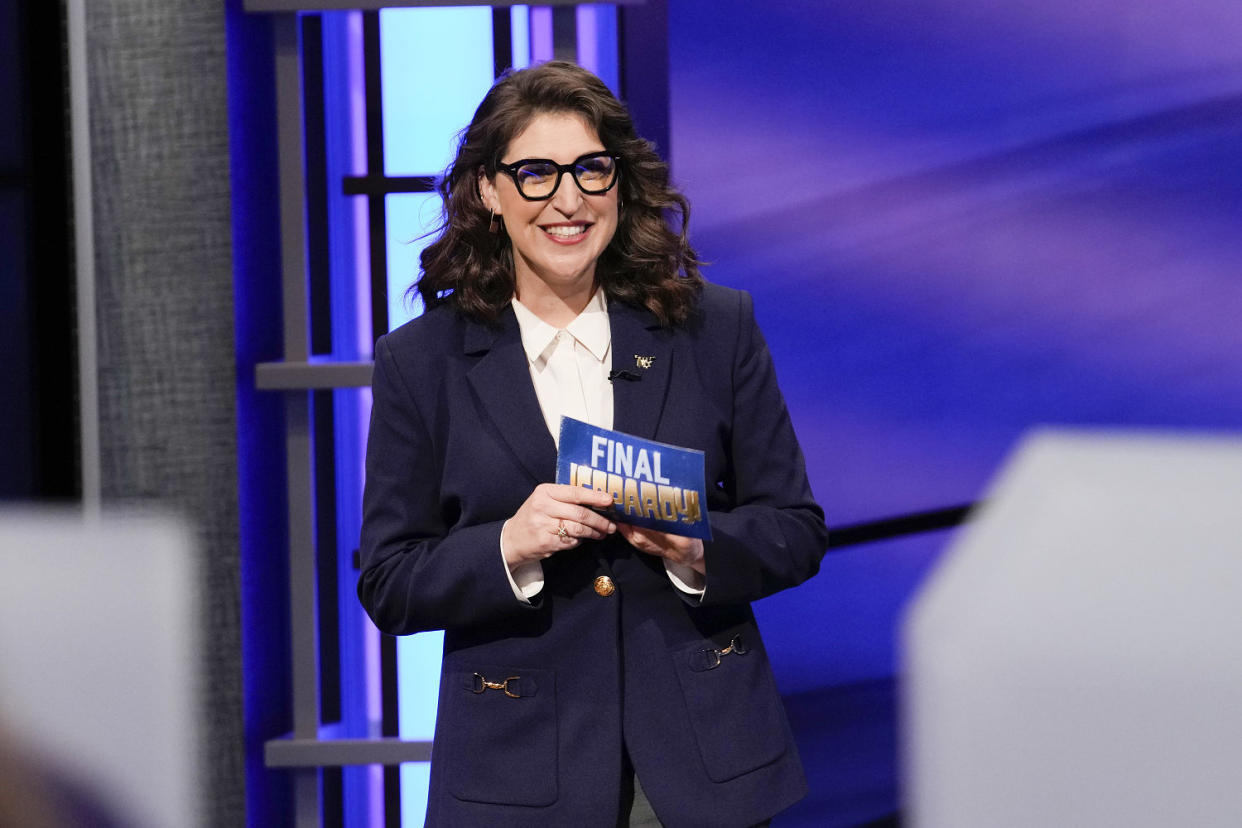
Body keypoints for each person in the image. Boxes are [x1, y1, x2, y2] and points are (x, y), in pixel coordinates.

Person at [358, 60, 829, 827]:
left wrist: (696, 551)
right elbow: (389, 581)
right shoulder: (423, 362)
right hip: (518, 772)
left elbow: (796, 529)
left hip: (703, 764)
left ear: (621, 182)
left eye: (590, 170)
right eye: (537, 174)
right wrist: (508, 545)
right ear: (488, 189)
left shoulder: (714, 329)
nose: (568, 200)